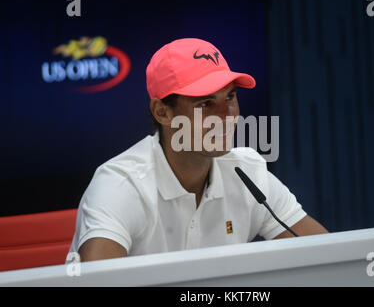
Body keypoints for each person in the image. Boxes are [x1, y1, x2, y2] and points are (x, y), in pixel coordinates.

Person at [68, 38, 328, 262]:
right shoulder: (120, 184)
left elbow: (329, 257)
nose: (227, 116)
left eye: (230, 97)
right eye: (206, 103)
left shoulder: (248, 172)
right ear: (162, 112)